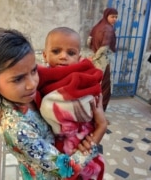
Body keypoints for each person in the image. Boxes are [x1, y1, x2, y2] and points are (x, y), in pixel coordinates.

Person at [0, 27, 103, 180]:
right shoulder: (17, 129)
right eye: (18, 79)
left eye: (34, 70)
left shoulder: (28, 95)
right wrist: (99, 130)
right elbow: (65, 170)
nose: (32, 84)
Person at [38, 27, 107, 180]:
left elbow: (92, 97)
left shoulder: (82, 76)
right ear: (44, 55)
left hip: (83, 142)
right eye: (56, 51)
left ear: (79, 57)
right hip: (57, 150)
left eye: (71, 53)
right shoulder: (38, 80)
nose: (63, 56)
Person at [87, 8, 118, 112]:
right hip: (105, 62)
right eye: (112, 16)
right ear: (107, 16)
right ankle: (100, 113)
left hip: (96, 63)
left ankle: (91, 111)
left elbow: (89, 41)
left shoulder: (97, 27)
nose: (115, 19)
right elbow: (104, 47)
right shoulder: (109, 29)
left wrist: (93, 55)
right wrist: (95, 57)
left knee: (95, 86)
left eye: (116, 17)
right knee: (105, 89)